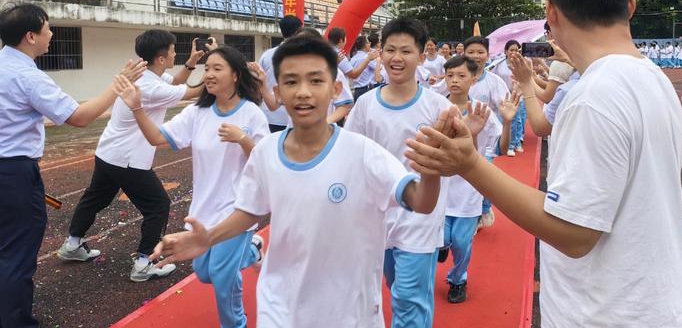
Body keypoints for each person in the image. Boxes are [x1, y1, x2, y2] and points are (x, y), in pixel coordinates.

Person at [405, 0, 682, 327]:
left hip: (607, 313)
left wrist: (470, 164)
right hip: (649, 305)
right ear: (630, 4)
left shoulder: (595, 96)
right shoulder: (651, 77)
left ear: (551, 13)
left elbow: (574, 233)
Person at [145, 34, 442, 328]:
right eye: (290, 82)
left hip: (351, 312)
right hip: (280, 309)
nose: (302, 92)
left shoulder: (362, 153)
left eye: (315, 81)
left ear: (335, 88)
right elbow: (249, 210)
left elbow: (421, 201)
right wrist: (207, 237)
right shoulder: (265, 153)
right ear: (278, 92)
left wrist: (431, 169)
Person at [0, 3, 146, 328]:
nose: (51, 33)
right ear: (30, 36)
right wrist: (120, 83)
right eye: (47, 27)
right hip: (12, 172)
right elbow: (79, 118)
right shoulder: (28, 77)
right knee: (17, 252)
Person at [116, 46, 269, 328]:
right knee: (204, 272)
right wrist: (136, 107)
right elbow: (156, 139)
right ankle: (252, 251)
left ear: (235, 75)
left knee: (223, 279)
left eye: (217, 68)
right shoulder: (197, 113)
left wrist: (243, 140)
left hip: (238, 210)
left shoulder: (251, 114)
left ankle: (235, 324)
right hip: (203, 210)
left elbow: (267, 161)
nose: (208, 74)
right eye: (206, 68)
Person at [57, 30, 211, 281]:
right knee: (158, 206)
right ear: (161, 58)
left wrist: (192, 63)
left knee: (95, 199)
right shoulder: (150, 87)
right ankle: (143, 263)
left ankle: (72, 244)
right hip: (129, 159)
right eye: (173, 50)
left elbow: (174, 83)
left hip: (108, 152)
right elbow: (193, 92)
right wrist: (219, 67)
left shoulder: (147, 75)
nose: (175, 53)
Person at [345, 17, 454, 328]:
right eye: (389, 49)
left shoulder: (438, 107)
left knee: (408, 298)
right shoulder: (365, 105)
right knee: (395, 288)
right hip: (378, 217)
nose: (396, 58)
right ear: (380, 53)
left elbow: (454, 158)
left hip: (420, 218)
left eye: (405, 51)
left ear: (421, 57)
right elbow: (352, 155)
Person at [438, 55, 519, 303]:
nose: (454, 80)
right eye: (450, 75)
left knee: (461, 242)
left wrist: (507, 123)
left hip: (468, 191)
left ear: (473, 79)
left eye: (461, 76)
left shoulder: (481, 112)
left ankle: (457, 279)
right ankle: (441, 247)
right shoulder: (434, 105)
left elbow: (501, 149)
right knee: (442, 239)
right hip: (438, 189)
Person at [258, 15, 303, 132]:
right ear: (299, 31)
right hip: (294, 114)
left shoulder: (267, 54)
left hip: (269, 113)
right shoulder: (304, 56)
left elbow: (259, 81)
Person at [492, 40, 527, 154]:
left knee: (518, 121)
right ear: (506, 51)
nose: (514, 52)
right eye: (511, 50)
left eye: (516, 50)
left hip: (518, 96)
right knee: (506, 120)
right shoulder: (498, 64)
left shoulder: (522, 63)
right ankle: (509, 144)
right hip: (504, 96)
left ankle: (516, 143)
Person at [349, 34, 376, 100]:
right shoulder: (367, 57)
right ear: (365, 45)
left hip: (357, 90)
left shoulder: (353, 58)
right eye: (368, 42)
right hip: (366, 89)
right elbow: (379, 68)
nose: (370, 43)